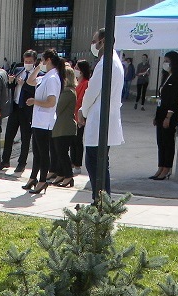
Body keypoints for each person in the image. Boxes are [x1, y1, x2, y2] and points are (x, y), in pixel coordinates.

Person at [77, 27, 124, 201]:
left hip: (99, 119)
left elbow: (92, 91)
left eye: (94, 40)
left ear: (102, 41)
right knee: (101, 164)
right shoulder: (114, 61)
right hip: (106, 118)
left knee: (94, 163)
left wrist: (83, 110)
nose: (93, 44)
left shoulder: (106, 63)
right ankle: (103, 201)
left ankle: (100, 201)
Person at [21, 50, 63, 195]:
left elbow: (51, 102)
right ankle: (33, 177)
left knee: (43, 153)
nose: (42, 63)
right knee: (37, 153)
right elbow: (30, 81)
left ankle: (42, 180)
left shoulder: (52, 78)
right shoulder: (46, 76)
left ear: (49, 60)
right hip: (38, 121)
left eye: (43, 60)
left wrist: (34, 101)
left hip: (45, 121)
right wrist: (38, 67)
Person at [149, 51, 178, 181]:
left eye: (167, 61)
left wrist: (168, 117)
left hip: (169, 114)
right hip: (161, 112)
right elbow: (162, 98)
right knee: (160, 142)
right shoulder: (166, 77)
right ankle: (161, 166)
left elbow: (173, 100)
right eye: (164, 61)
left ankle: (167, 168)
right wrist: (157, 116)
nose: (165, 64)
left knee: (168, 142)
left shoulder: (176, 78)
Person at [0, 49, 37, 172]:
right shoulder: (19, 70)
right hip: (15, 108)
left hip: (27, 110)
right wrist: (11, 82)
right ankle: (5, 161)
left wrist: (24, 84)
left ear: (35, 62)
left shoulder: (38, 74)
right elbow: (12, 87)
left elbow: (35, 91)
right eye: (26, 61)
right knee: (9, 135)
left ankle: (21, 163)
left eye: (30, 61)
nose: (27, 63)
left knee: (25, 138)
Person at [48, 66, 78, 189]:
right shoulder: (65, 91)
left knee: (62, 153)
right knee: (58, 152)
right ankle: (61, 174)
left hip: (64, 127)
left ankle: (68, 176)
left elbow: (57, 107)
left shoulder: (68, 92)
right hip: (60, 127)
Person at [72, 60, 90, 175]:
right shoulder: (76, 82)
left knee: (77, 141)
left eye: (77, 68)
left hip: (79, 116)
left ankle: (77, 164)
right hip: (72, 116)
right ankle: (72, 161)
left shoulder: (85, 83)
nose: (75, 70)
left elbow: (81, 100)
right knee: (72, 141)